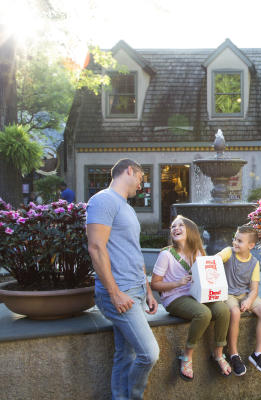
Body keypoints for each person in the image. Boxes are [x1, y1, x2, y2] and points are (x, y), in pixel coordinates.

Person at [86, 158, 159, 400]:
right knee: (149, 354)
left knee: (124, 354)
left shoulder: (126, 207)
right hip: (120, 291)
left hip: (135, 289)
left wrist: (147, 289)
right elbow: (96, 248)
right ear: (129, 170)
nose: (141, 184)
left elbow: (133, 251)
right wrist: (115, 293)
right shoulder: (103, 200)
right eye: (140, 177)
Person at [150, 215, 232, 379]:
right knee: (203, 313)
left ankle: (218, 352)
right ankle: (187, 355)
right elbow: (154, 284)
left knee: (223, 309)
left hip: (197, 295)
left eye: (180, 225)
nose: (175, 229)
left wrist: (215, 288)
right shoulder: (166, 255)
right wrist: (178, 283)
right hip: (174, 298)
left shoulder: (199, 252)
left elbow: (207, 277)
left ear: (191, 231)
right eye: (173, 227)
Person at [216, 225, 261, 376]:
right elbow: (216, 259)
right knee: (234, 312)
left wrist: (248, 300)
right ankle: (233, 354)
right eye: (235, 238)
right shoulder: (229, 252)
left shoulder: (254, 263)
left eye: (240, 241)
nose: (235, 242)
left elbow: (254, 289)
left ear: (251, 246)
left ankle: (257, 354)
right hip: (228, 294)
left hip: (244, 294)